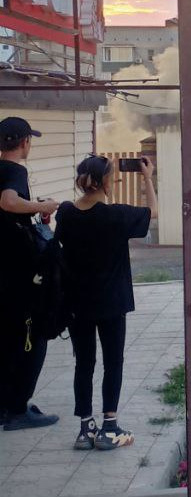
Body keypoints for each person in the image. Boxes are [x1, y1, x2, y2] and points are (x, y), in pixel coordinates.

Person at [55, 154, 155, 450]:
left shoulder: (66, 213)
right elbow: (153, 212)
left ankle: (85, 429)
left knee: (84, 363)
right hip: (112, 302)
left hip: (76, 302)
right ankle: (109, 427)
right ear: (106, 182)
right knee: (113, 361)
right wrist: (148, 177)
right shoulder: (116, 216)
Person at [0, 116, 60, 431]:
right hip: (17, 276)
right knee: (32, 337)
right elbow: (8, 202)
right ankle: (17, 408)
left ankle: (4, 406)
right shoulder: (15, 171)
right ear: (24, 142)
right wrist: (39, 207)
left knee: (6, 339)